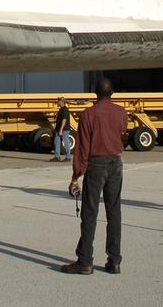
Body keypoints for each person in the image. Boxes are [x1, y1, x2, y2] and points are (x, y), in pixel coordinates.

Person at [61, 78, 126, 275]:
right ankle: (114, 261)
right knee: (114, 212)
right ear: (112, 92)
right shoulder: (121, 112)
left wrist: (75, 176)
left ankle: (85, 261)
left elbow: (82, 147)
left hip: (96, 164)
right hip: (116, 162)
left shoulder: (88, 114)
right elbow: (122, 130)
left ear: (94, 93)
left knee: (90, 212)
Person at [52, 97, 72, 162]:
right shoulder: (61, 109)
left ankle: (68, 157)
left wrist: (61, 129)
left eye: (58, 101)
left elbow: (64, 119)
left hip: (64, 129)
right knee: (56, 142)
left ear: (62, 102)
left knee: (66, 142)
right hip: (58, 129)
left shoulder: (65, 110)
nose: (57, 102)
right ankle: (57, 157)